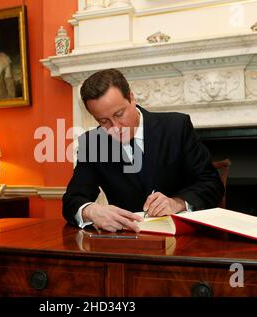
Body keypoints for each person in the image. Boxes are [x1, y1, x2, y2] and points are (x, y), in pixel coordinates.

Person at [62, 68, 224, 232]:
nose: (115, 127)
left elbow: (211, 183)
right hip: (128, 243)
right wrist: (91, 211)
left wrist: (178, 203)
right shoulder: (93, 143)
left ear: (131, 98)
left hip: (184, 240)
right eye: (104, 121)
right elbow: (72, 200)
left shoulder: (176, 127)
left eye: (119, 114)